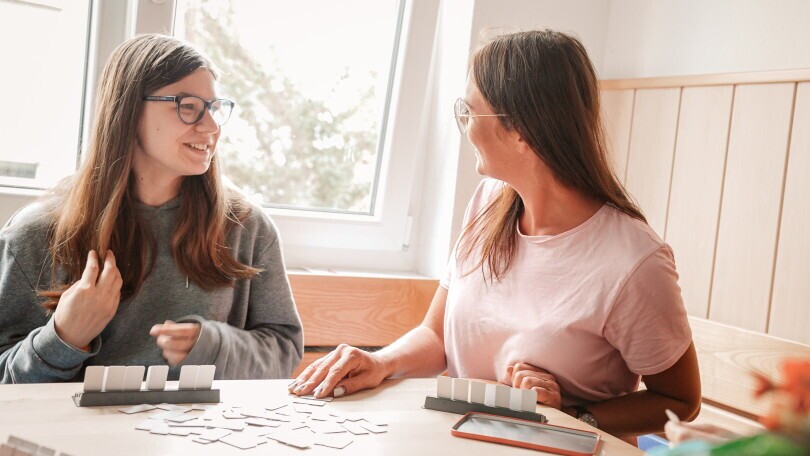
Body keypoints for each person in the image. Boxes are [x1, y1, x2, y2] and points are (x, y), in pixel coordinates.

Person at [289, 29, 701, 438]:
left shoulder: (634, 260)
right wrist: (380, 363)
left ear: (522, 130)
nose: (464, 127)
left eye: (470, 113)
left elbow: (681, 401)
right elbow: (437, 336)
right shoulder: (489, 202)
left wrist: (572, 416)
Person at [0, 34, 303, 383]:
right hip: (76, 437)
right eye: (188, 107)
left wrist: (215, 347)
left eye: (215, 109)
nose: (211, 126)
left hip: (199, 436)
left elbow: (285, 351)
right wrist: (64, 337)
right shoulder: (34, 235)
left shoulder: (247, 228)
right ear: (129, 110)